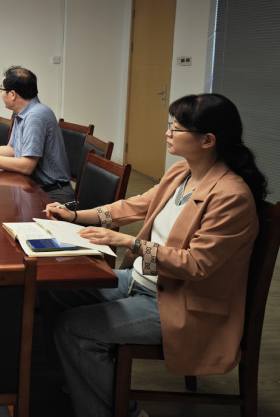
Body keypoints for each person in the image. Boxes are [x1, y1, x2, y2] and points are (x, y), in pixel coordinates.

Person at [43, 93, 266, 417]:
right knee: (55, 289)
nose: (168, 133)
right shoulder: (180, 173)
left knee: (74, 328)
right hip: (145, 281)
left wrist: (128, 242)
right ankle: (82, 379)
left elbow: (196, 265)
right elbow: (130, 207)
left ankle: (124, 411)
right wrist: (75, 216)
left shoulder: (231, 196)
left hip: (184, 304)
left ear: (208, 140)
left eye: (176, 128)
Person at [0, 65, 74, 203]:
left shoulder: (35, 116)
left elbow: (26, 166)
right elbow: (12, 149)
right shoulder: (23, 113)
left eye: (1, 89)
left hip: (52, 194)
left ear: (12, 94)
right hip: (33, 187)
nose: (1, 93)